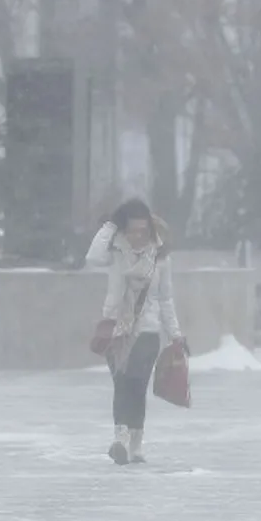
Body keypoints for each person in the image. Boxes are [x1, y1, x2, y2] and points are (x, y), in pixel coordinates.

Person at [85, 199, 186, 465]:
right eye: (132, 230)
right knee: (121, 382)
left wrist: (175, 334)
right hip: (116, 327)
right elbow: (92, 258)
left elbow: (166, 299)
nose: (137, 236)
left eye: (143, 230)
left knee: (136, 384)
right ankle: (120, 439)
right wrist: (110, 225)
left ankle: (135, 442)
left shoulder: (161, 258)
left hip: (148, 329)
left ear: (151, 230)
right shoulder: (116, 251)